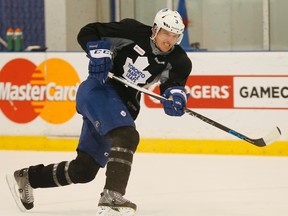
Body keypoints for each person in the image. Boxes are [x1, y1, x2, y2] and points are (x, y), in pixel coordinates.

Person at [7, 8, 192, 216]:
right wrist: (98, 51)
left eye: (175, 36)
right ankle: (112, 196)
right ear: (155, 29)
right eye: (166, 33)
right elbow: (88, 32)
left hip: (123, 106)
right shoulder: (131, 31)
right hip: (99, 90)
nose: (170, 40)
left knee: (84, 170)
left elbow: (171, 86)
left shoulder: (180, 61)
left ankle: (28, 177)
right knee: (127, 134)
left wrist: (175, 98)